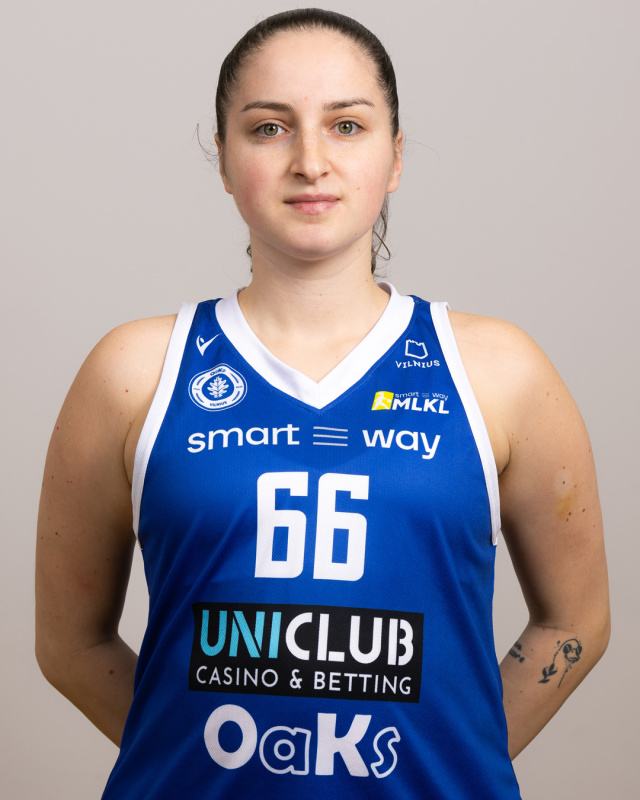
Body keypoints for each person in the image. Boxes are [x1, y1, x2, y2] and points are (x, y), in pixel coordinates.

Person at [35, 9, 610, 799]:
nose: (311, 162)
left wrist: (446, 764)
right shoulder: (134, 372)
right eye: (269, 128)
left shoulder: (499, 371)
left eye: (347, 125)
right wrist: (198, 763)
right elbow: (69, 645)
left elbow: (576, 623)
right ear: (224, 157)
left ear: (395, 157)